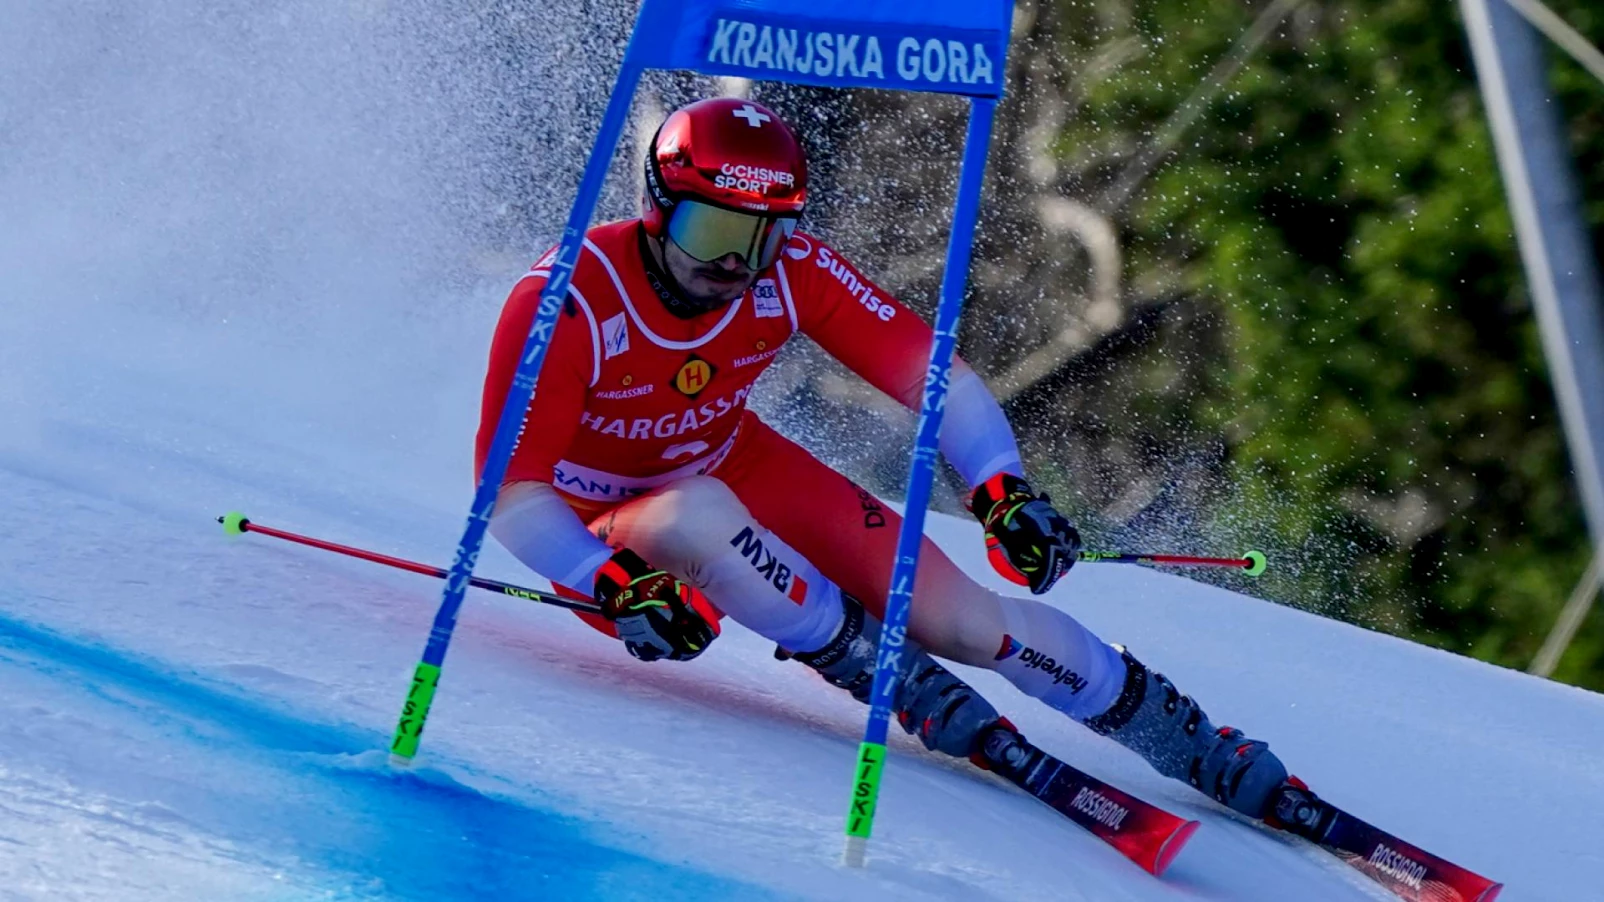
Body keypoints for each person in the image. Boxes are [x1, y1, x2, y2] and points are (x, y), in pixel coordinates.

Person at [476, 97, 1288, 817]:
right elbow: (512, 497)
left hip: (731, 462)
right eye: (713, 230)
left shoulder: (789, 272)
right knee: (698, 516)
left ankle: (1187, 740)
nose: (735, 263)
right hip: (600, 537)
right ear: (658, 208)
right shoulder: (568, 301)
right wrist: (608, 582)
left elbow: (940, 380)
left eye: (762, 236)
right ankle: (875, 667)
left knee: (960, 619)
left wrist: (1002, 490)